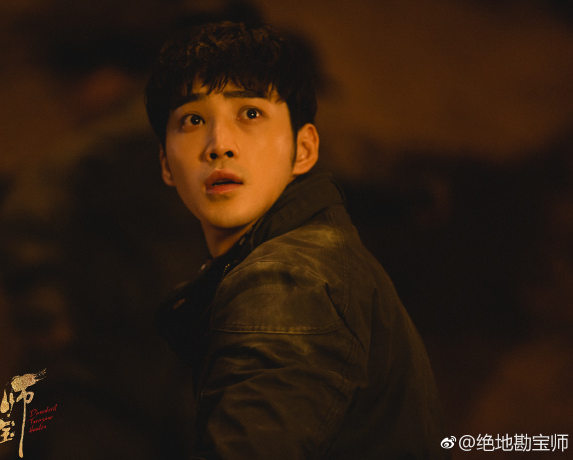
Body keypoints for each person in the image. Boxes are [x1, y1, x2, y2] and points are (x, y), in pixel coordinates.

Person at [145, 21, 448, 459]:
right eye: (193, 120)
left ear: (303, 150)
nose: (219, 145)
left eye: (250, 113)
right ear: (166, 164)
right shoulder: (314, 260)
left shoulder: (287, 281)